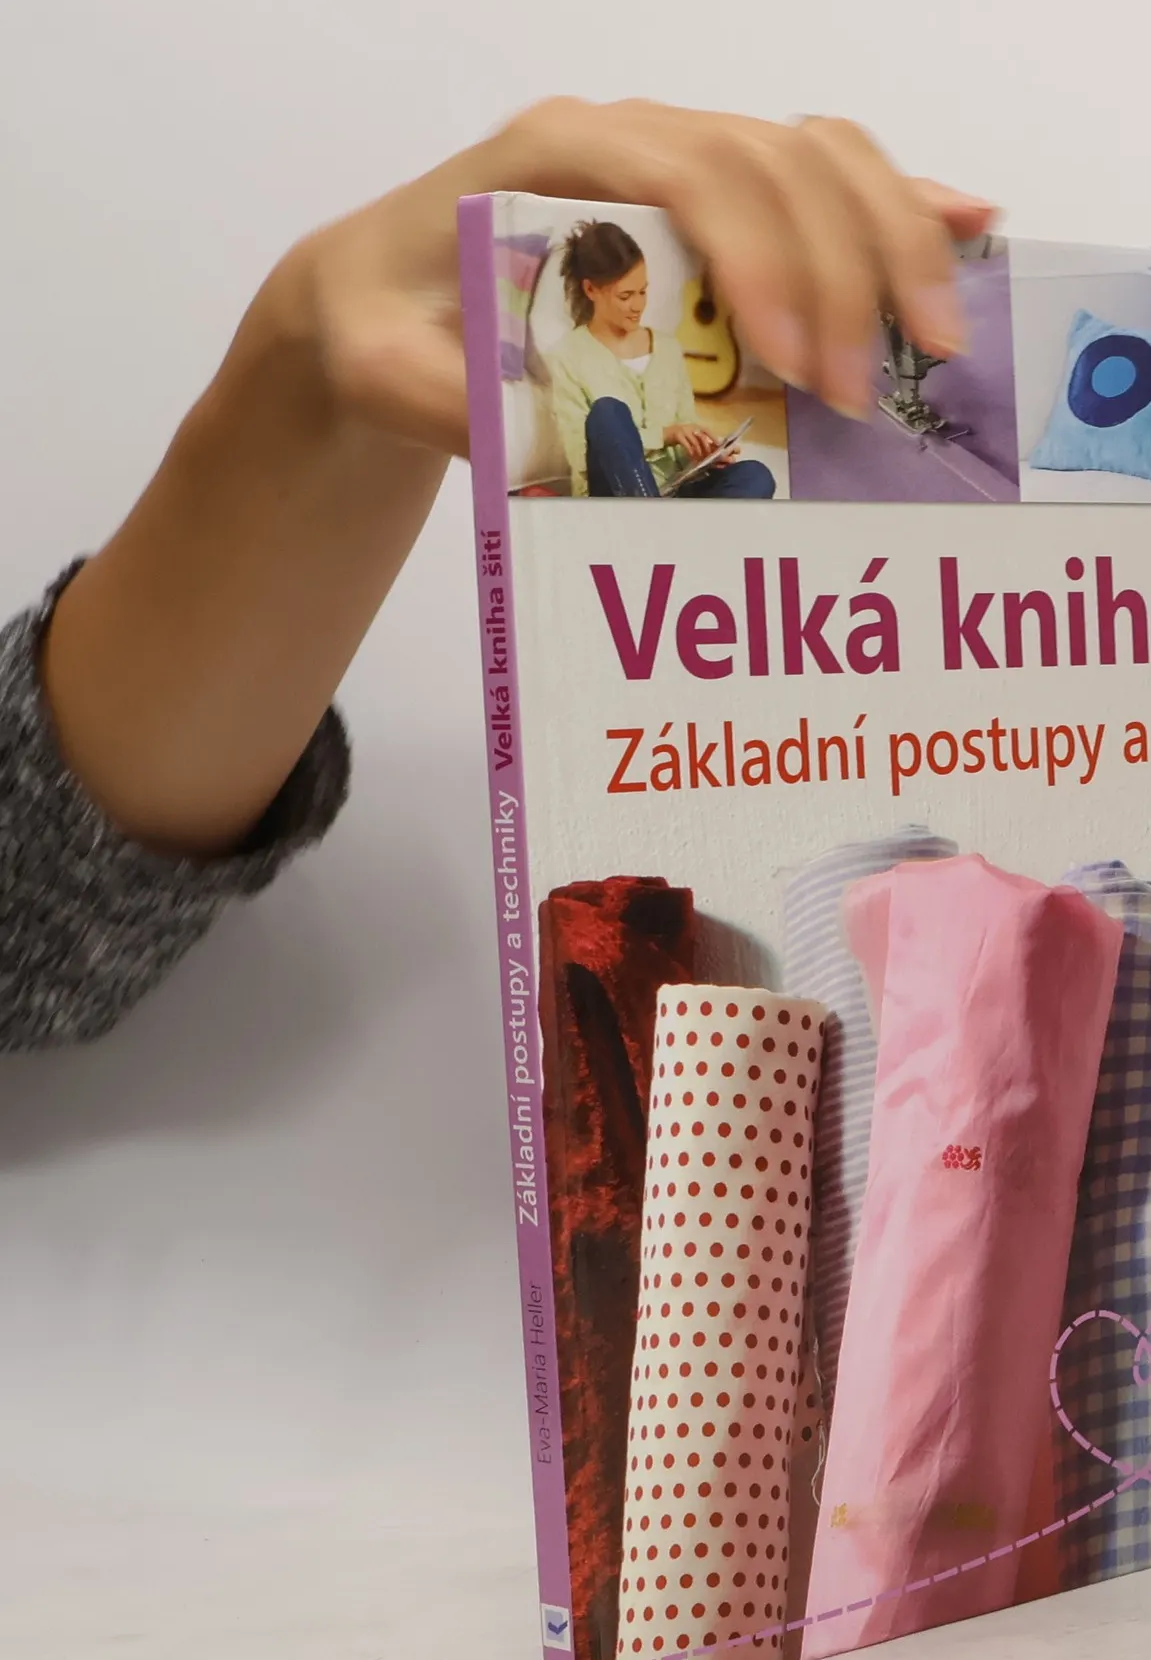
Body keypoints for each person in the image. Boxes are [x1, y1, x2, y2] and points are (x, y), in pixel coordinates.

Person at [0, 99, 992, 1052]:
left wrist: (691, 445)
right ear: (593, 296)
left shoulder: (653, 355)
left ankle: (687, 547)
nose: (638, 309)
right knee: (617, 430)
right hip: (605, 469)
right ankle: (659, 554)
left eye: (645, 298)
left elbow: (40, 896)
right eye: (628, 297)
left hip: (647, 483)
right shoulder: (575, 358)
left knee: (741, 476)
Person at [548, 219, 770, 498]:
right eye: (626, 296)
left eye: (643, 291)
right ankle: (652, 517)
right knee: (608, 413)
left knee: (755, 475)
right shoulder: (569, 356)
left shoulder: (667, 348)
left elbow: (685, 425)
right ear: (590, 290)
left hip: (677, 490)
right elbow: (582, 455)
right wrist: (665, 434)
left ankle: (664, 521)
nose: (638, 305)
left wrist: (703, 451)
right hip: (614, 498)